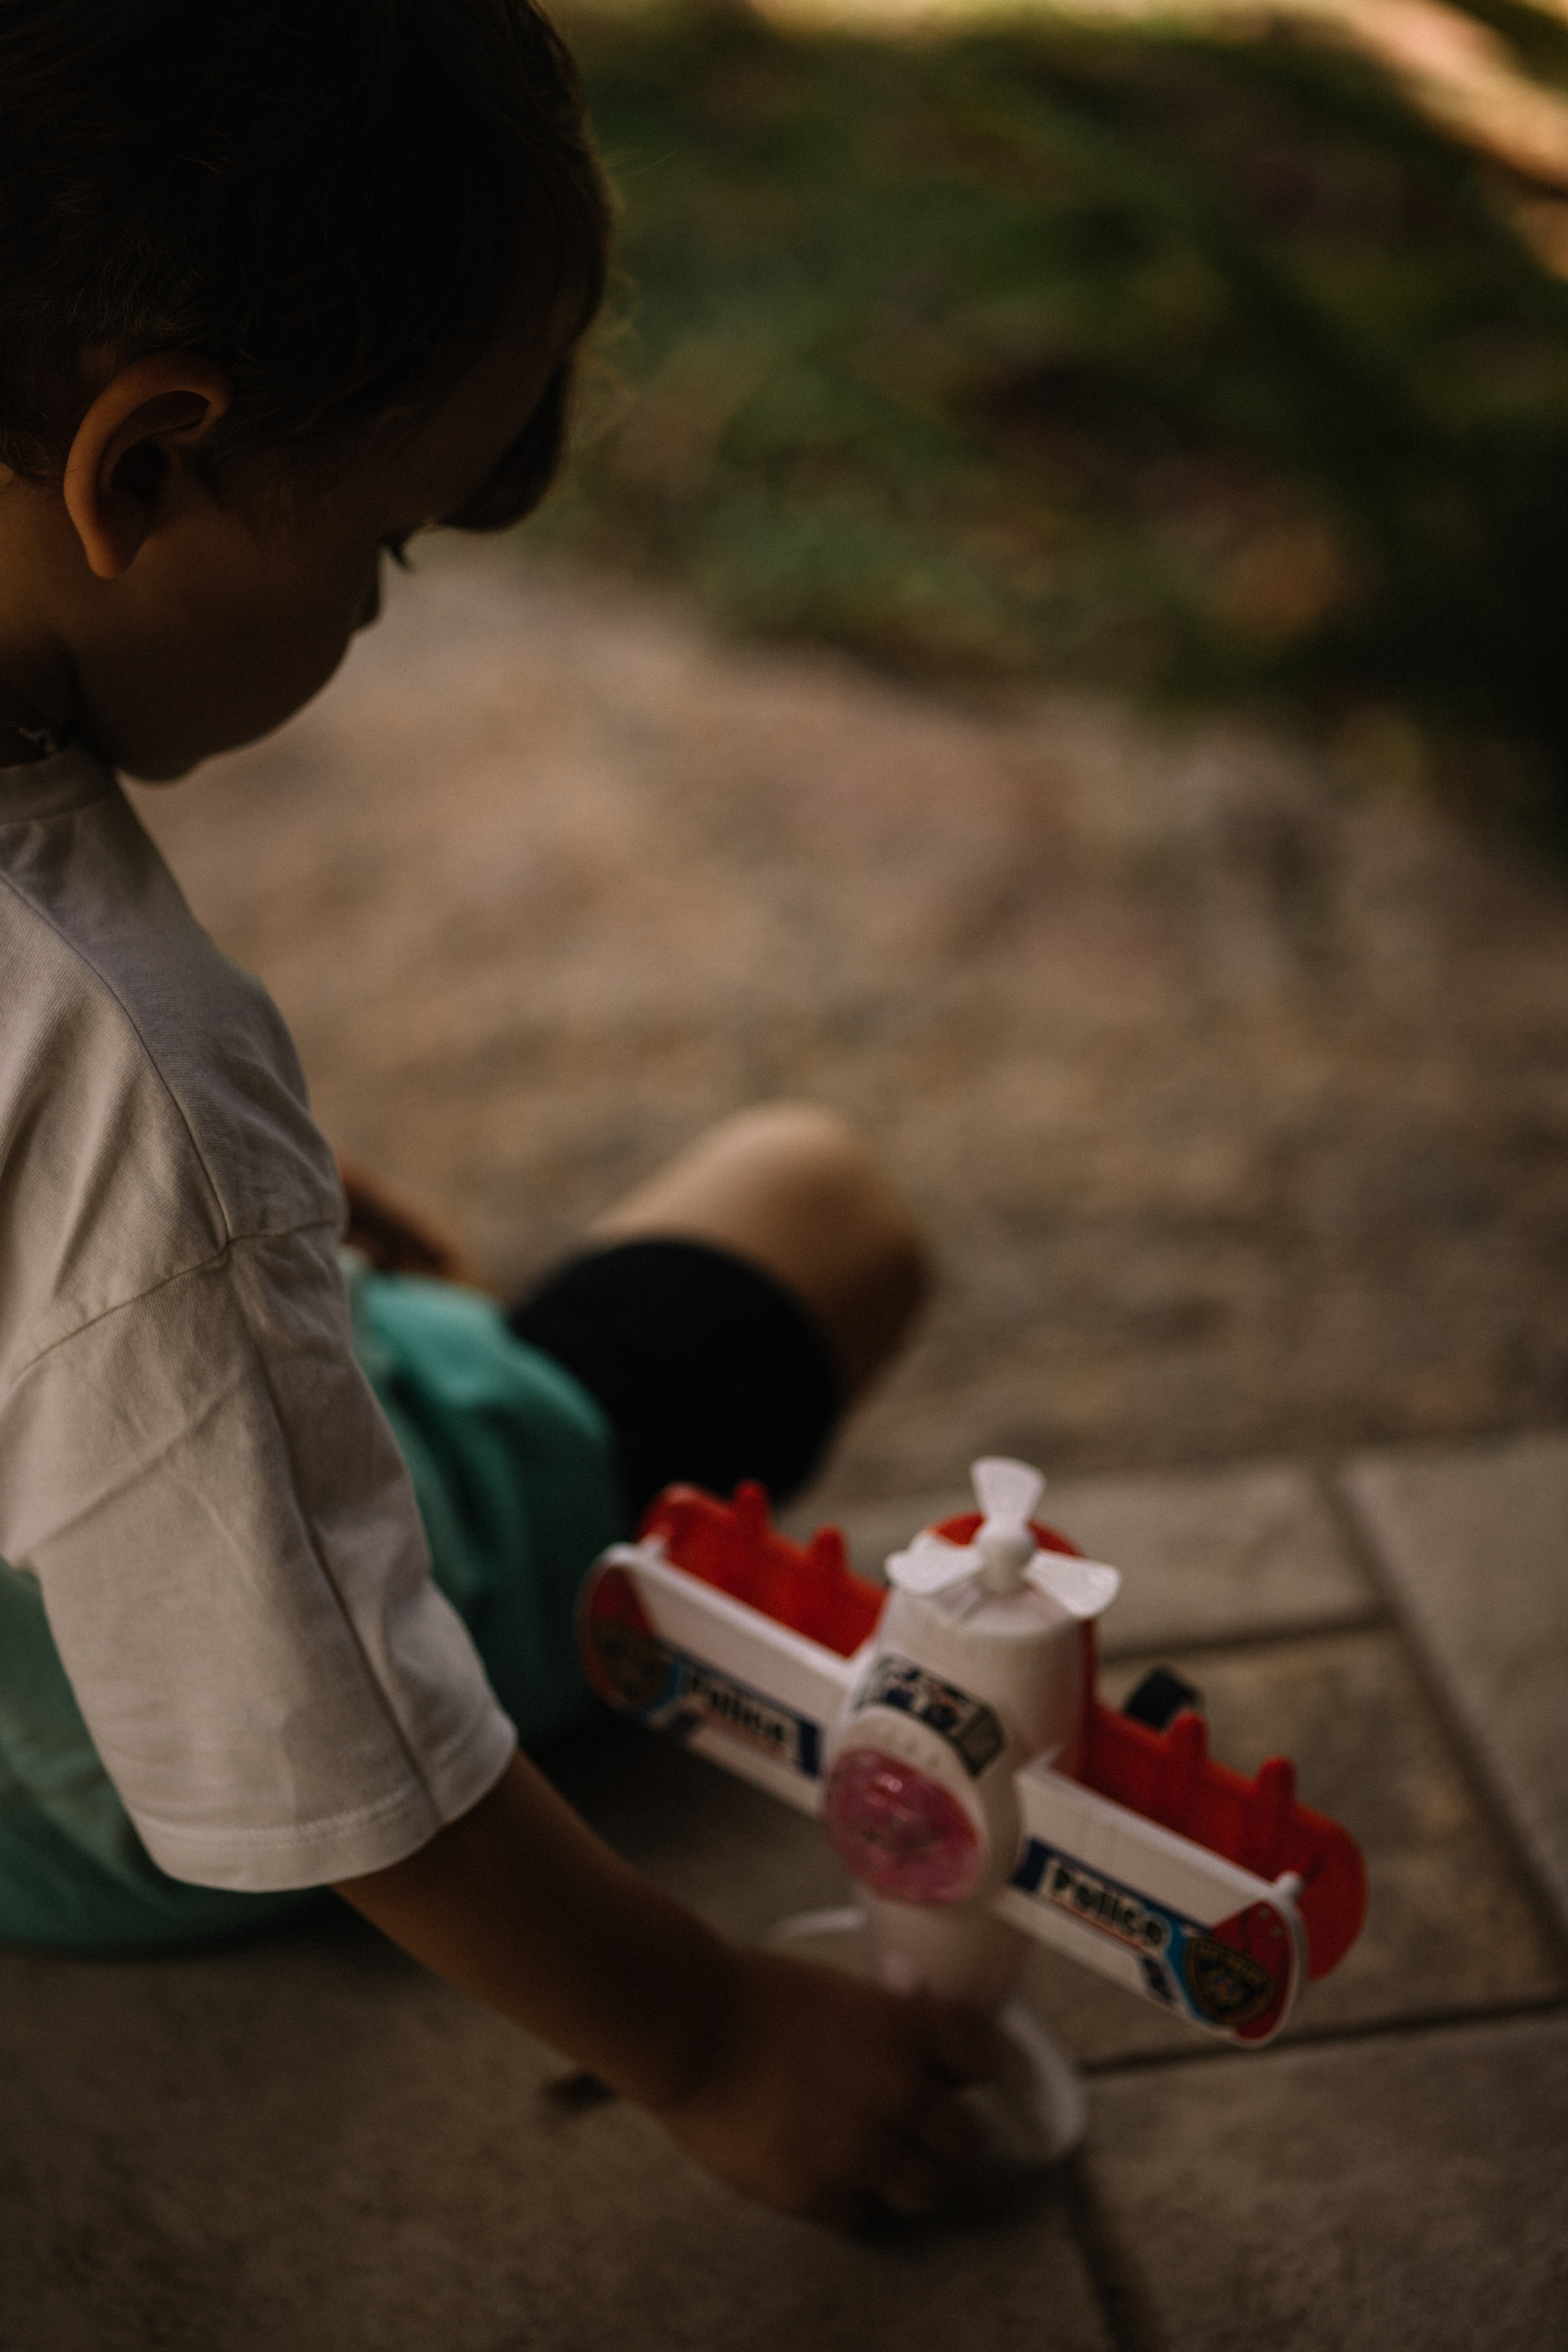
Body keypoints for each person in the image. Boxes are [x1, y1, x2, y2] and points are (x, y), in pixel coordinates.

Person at [0, 0, 1002, 2227]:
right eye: (389, 542)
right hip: (80, 1808)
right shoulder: (110, 1061)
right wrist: (712, 2032)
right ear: (142, 465)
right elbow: (307, 1711)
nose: (368, 603)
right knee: (815, 1197)